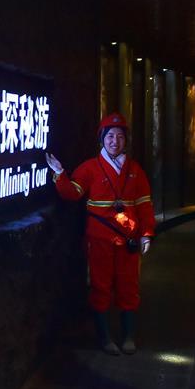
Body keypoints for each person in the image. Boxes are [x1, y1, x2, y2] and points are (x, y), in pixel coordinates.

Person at [45, 113, 155, 355]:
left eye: (119, 136)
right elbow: (72, 193)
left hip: (129, 239)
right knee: (100, 285)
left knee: (129, 285)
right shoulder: (90, 167)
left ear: (126, 140)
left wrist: (146, 233)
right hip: (99, 238)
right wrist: (60, 173)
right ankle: (105, 338)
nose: (115, 141)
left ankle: (128, 336)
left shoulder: (135, 170)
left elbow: (144, 204)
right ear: (102, 139)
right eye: (110, 136)